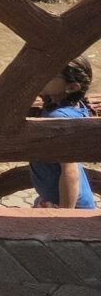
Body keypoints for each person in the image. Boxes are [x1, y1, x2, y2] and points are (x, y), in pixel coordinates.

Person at [30, 60, 95, 210]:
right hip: (56, 198)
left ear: (72, 87)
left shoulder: (58, 119)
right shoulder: (72, 106)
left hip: (66, 204)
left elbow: (70, 172)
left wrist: (64, 218)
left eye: (51, 74)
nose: (42, 76)